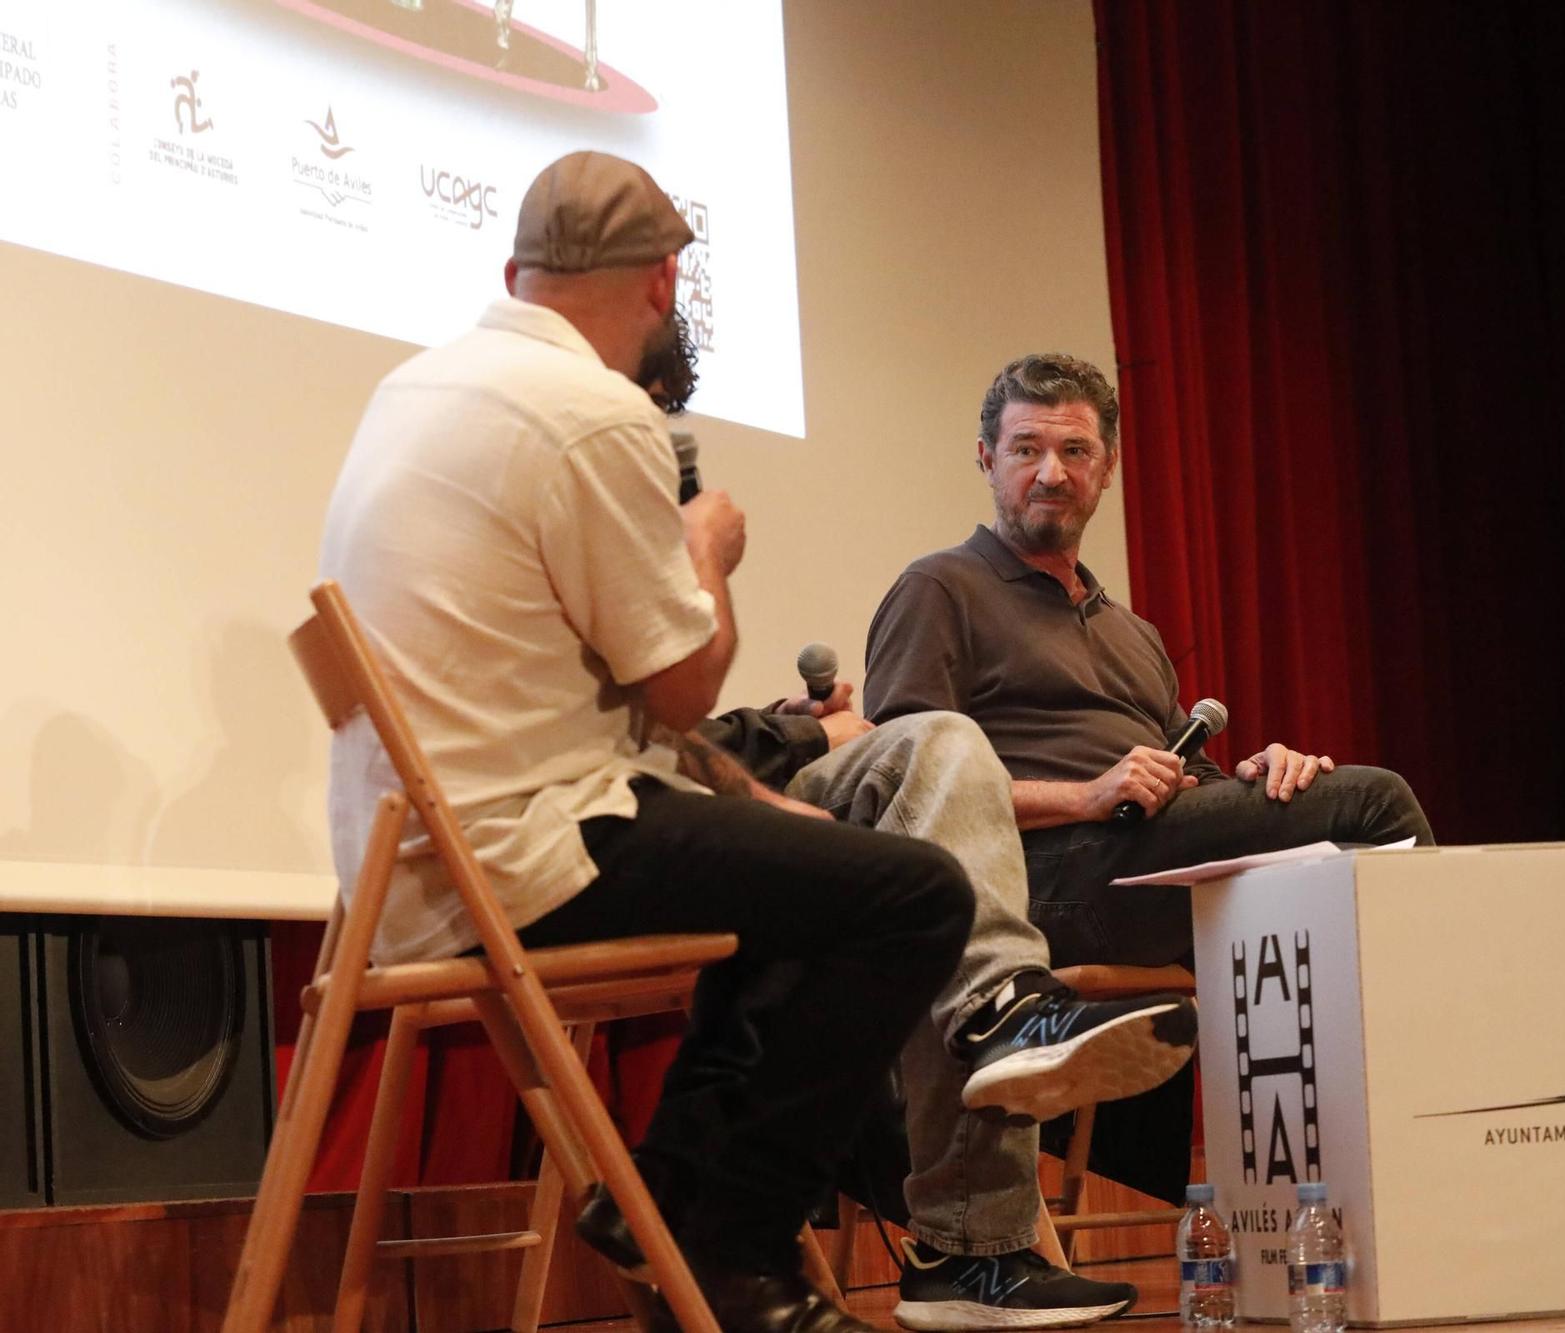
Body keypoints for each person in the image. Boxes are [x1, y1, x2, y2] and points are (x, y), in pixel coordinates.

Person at [320, 153, 1183, 1333]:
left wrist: (765, 796)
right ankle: (727, 1245)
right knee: (906, 897)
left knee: (846, 823)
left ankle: (699, 1183)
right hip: (515, 852)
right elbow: (679, 688)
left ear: (512, 268)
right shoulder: (590, 413)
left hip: (413, 851)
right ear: (663, 281)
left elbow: (618, 709)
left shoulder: (415, 389)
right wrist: (706, 551)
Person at [864, 352, 1436, 1203]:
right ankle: (1463, 1062)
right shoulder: (941, 587)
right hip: (1035, 887)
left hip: (1146, 866)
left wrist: (1258, 778)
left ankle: (1388, 1147)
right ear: (987, 459)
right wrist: (1085, 796)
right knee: (1372, 803)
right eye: (1025, 450)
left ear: (1108, 468)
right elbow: (899, 795)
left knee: (1329, 842)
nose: (1050, 473)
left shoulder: (1132, 631)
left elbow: (1184, 786)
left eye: (1074, 452)